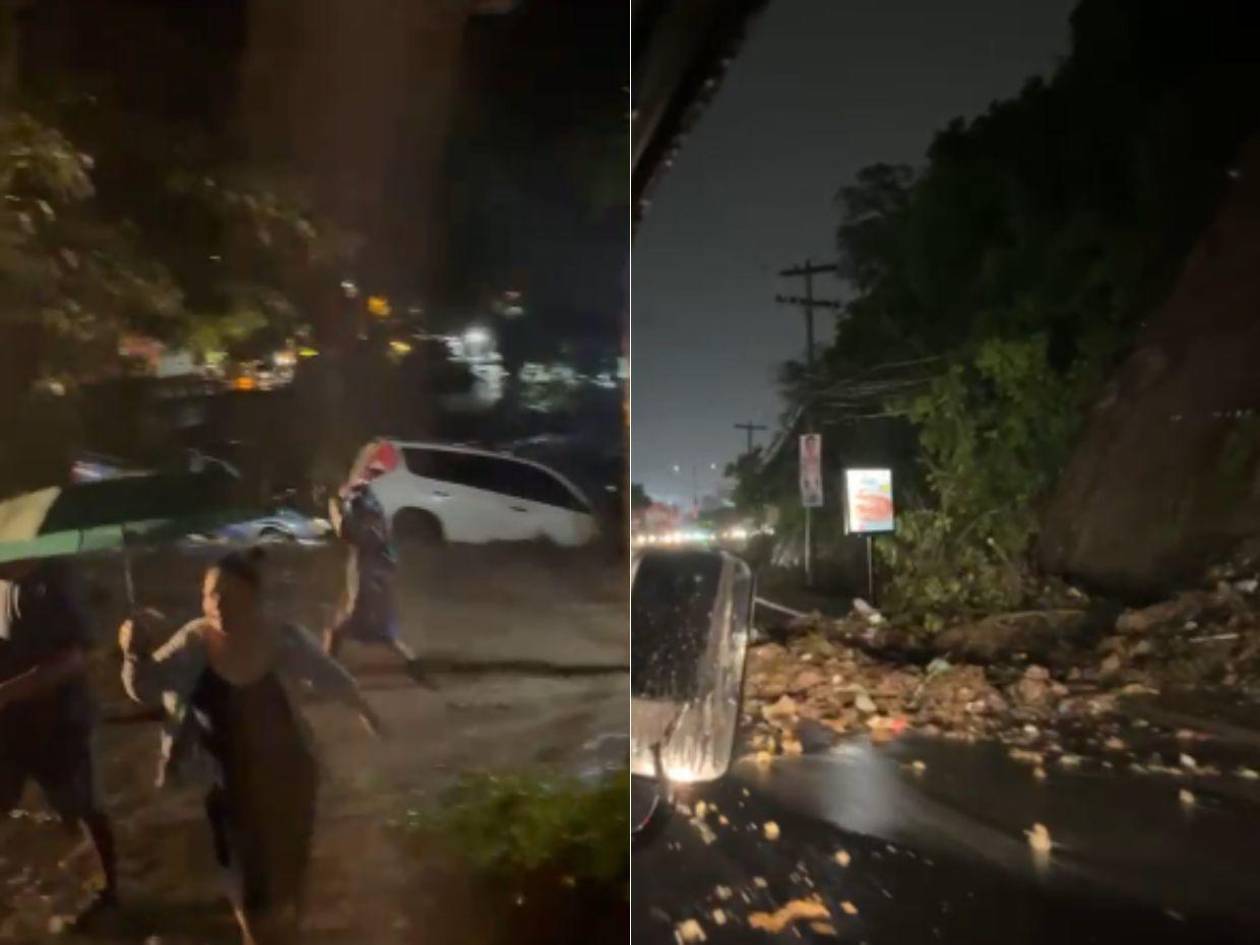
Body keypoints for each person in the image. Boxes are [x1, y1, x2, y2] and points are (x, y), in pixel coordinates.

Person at [120, 548, 384, 945]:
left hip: (289, 773)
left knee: (289, 862)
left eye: (231, 595)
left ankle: (291, 925)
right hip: (226, 780)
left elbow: (327, 674)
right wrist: (133, 651)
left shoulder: (281, 636)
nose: (219, 605)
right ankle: (252, 935)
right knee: (241, 868)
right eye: (212, 595)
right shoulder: (193, 641)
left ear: (254, 598)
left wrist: (365, 711)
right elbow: (145, 688)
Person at [0, 558, 118, 928]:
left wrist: (7, 692)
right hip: (8, 728)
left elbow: (72, 660)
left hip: (59, 725)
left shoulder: (56, 582)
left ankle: (107, 895)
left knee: (79, 810)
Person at [322, 482, 432, 685]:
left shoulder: (358, 519)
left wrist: (332, 506)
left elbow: (344, 532)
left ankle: (324, 675)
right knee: (383, 630)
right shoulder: (379, 519)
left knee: (340, 627)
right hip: (378, 575)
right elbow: (391, 552)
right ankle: (414, 665)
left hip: (364, 574)